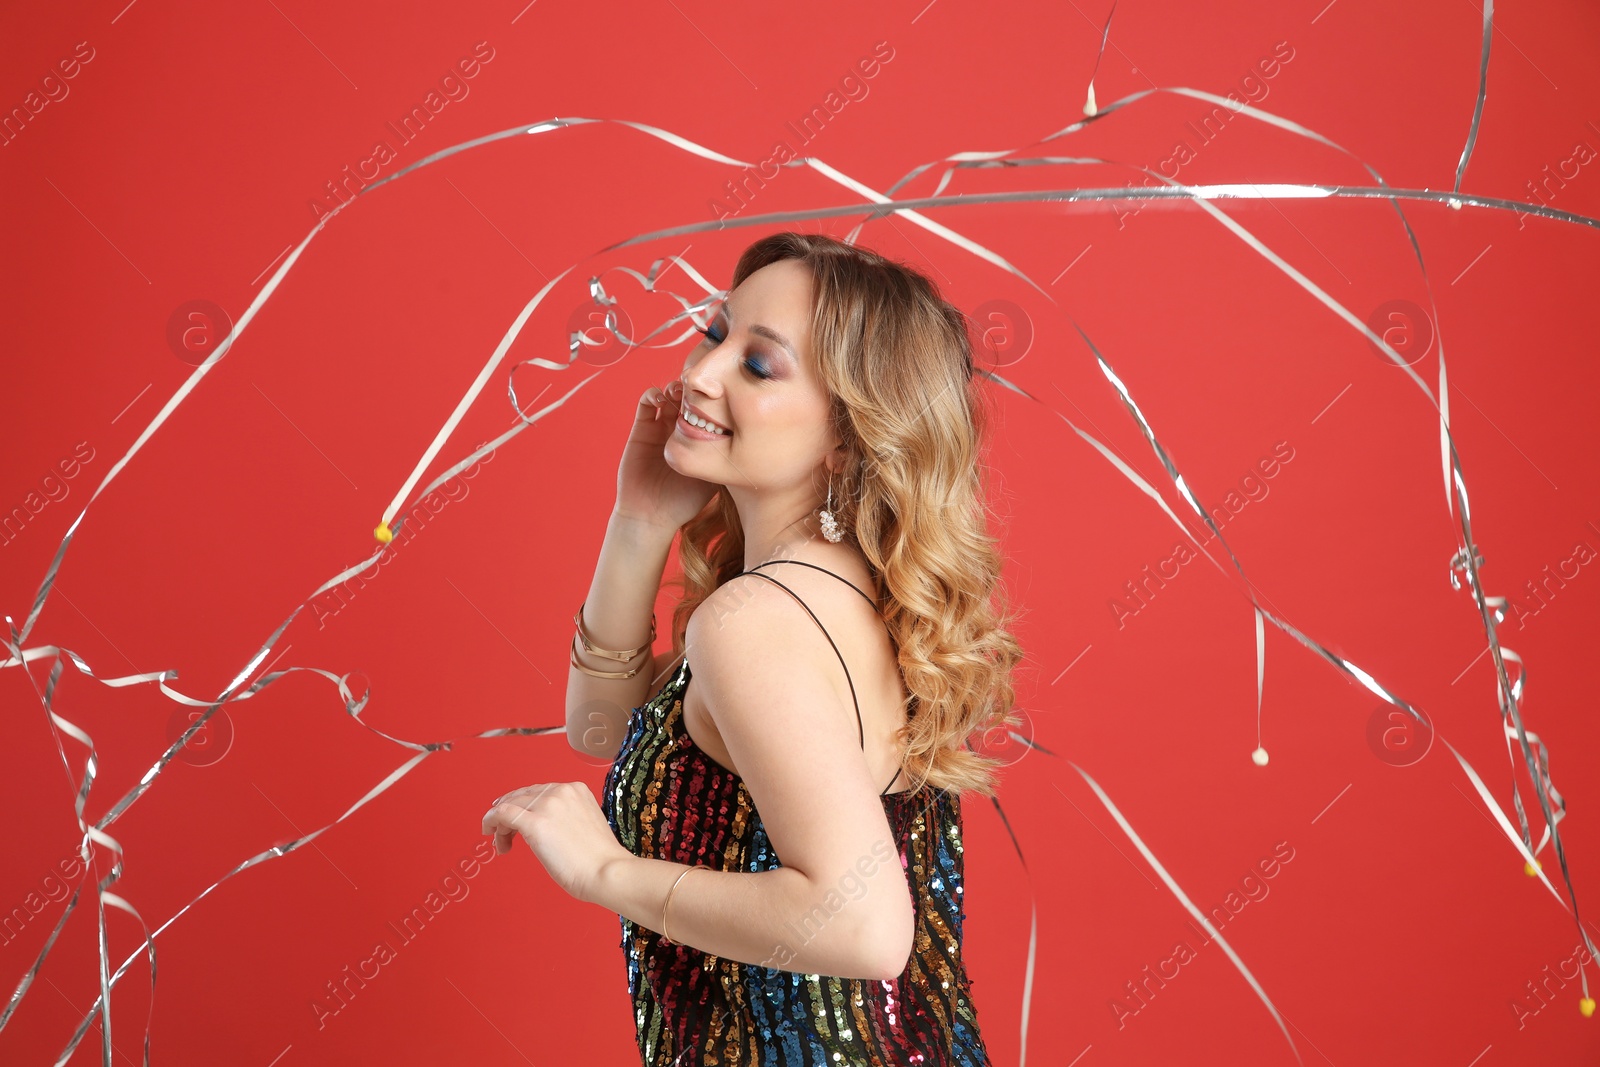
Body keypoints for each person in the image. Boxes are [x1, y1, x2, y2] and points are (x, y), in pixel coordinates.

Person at [481, 230, 1023, 1065]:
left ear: (849, 435)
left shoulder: (757, 620)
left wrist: (605, 876)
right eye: (715, 334)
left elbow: (866, 926)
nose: (699, 373)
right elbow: (608, 732)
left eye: (759, 365)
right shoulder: (846, 588)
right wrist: (641, 524)